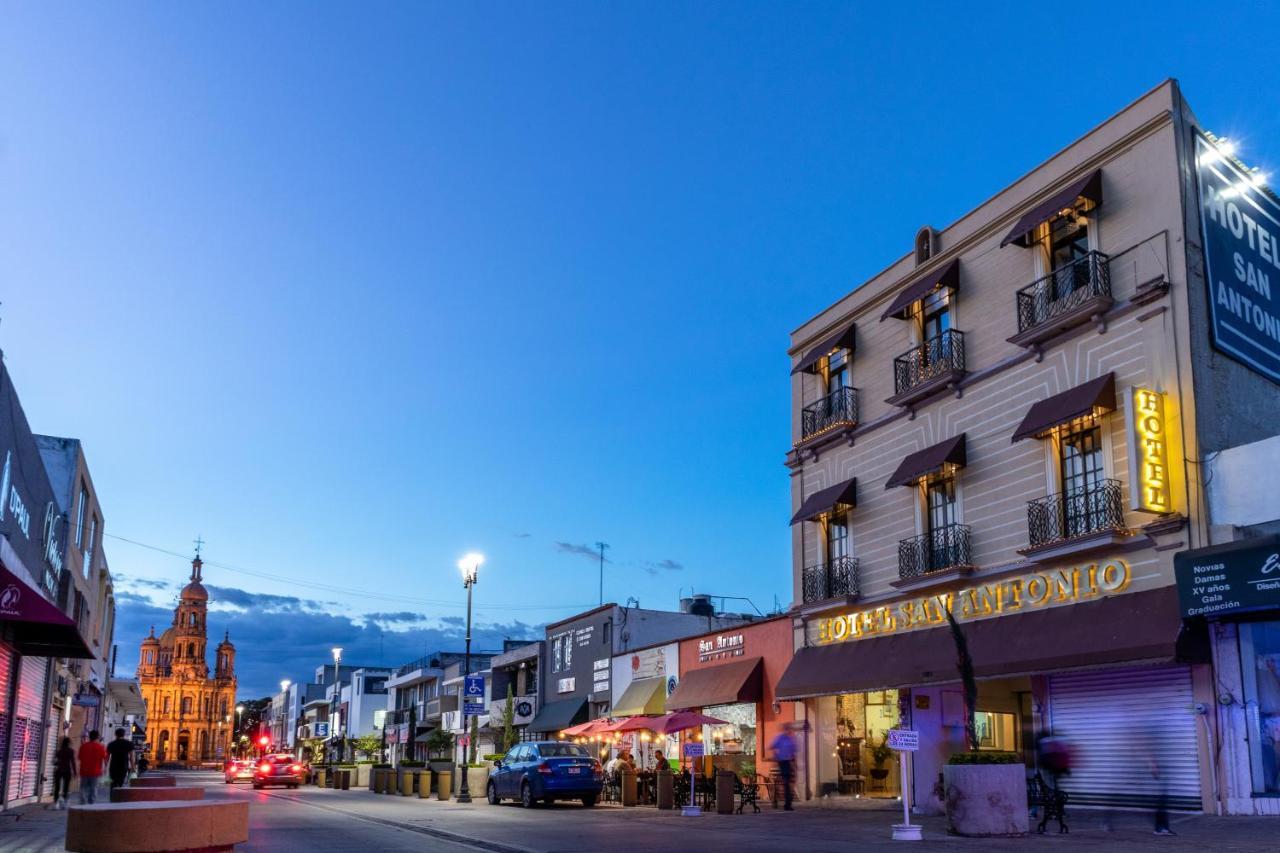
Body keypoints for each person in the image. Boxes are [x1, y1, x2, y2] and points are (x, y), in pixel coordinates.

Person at [770, 724, 797, 811]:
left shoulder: (790, 739)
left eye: (789, 729)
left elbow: (793, 752)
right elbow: (772, 746)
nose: (789, 731)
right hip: (782, 762)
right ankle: (787, 804)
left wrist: (794, 764)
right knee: (786, 783)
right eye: (788, 729)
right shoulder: (780, 738)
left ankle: (788, 803)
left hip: (788, 762)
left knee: (789, 783)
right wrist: (776, 755)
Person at [78, 731, 107, 804]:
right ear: (97, 737)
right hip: (95, 771)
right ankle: (91, 802)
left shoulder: (83, 746)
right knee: (93, 788)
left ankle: (83, 802)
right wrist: (105, 769)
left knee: (83, 788)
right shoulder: (100, 747)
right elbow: (104, 758)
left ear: (89, 737)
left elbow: (80, 758)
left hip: (84, 771)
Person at [51, 737, 75, 809]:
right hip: (67, 770)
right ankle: (64, 803)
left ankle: (56, 804)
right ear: (68, 743)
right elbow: (72, 762)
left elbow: (54, 762)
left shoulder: (58, 751)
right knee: (66, 787)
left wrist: (58, 763)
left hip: (59, 770)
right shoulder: (71, 751)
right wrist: (75, 771)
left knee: (57, 787)